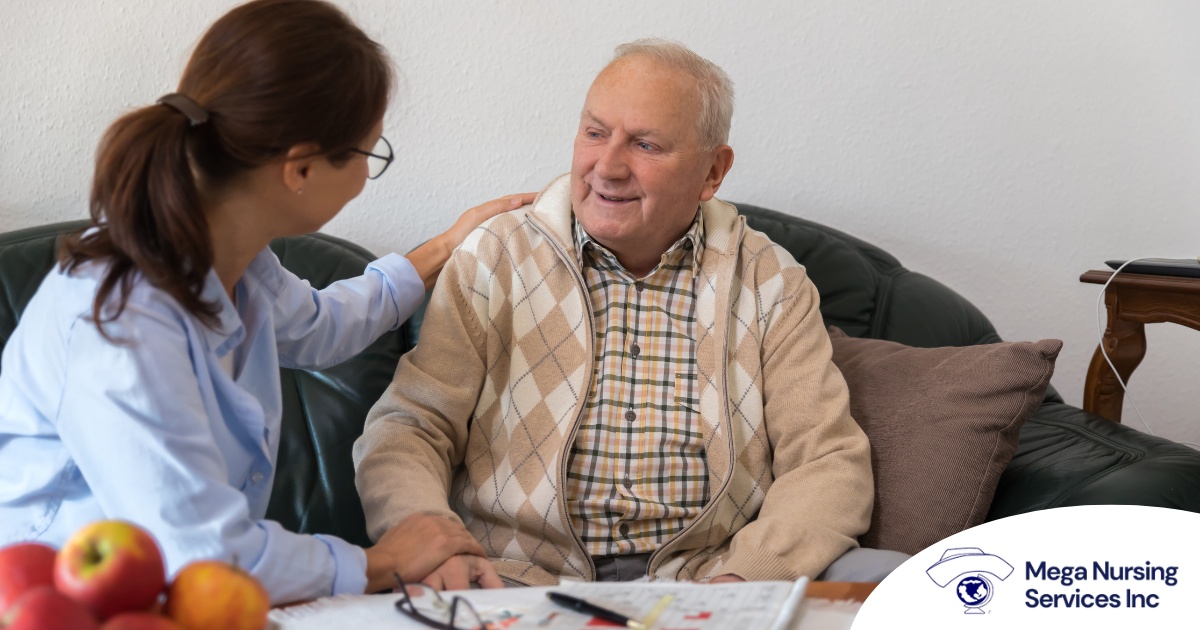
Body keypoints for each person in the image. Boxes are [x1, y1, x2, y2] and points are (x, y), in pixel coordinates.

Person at [0, 0, 521, 604]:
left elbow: (322, 328)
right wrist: (380, 562)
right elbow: (199, 552)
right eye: (369, 154)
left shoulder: (233, 257)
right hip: (61, 601)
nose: (364, 176)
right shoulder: (119, 323)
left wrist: (449, 245)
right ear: (299, 169)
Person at [354, 39, 906, 589]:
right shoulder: (497, 256)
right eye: (595, 133)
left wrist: (745, 579)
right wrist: (435, 545)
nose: (608, 167)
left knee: (900, 583)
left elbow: (826, 459)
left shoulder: (772, 282)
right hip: (515, 577)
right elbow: (410, 428)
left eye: (645, 144)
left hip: (712, 576)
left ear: (713, 171)